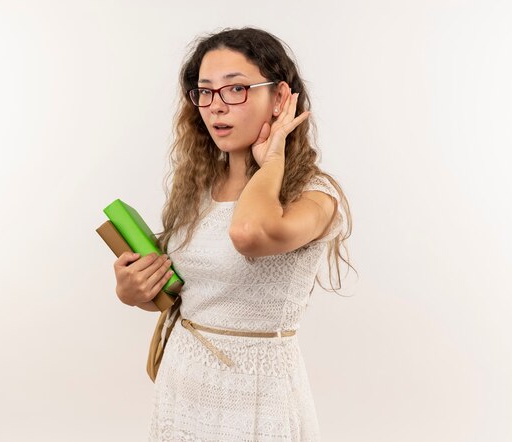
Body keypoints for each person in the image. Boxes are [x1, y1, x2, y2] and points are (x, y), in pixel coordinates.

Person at [114, 26, 354, 441]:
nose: (216, 107)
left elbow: (248, 232)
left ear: (280, 98)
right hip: (184, 383)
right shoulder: (197, 188)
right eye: (204, 92)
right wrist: (133, 290)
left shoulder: (316, 195)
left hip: (258, 394)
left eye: (236, 89)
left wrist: (273, 157)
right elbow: (195, 295)